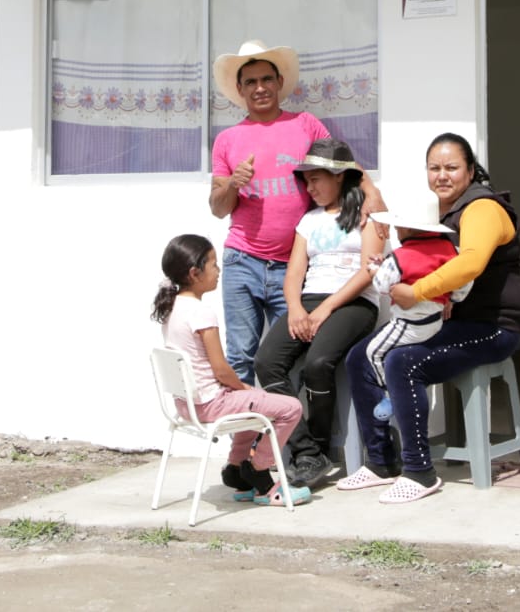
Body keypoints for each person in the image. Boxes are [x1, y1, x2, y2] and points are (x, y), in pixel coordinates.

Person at [340, 132, 520, 504]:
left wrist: (418, 292)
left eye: (452, 167)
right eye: (434, 168)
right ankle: (380, 461)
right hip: (450, 324)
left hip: (491, 328)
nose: (442, 175)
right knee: (360, 357)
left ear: (470, 171)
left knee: (403, 361)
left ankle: (419, 471)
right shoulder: (435, 213)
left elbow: (470, 263)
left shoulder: (483, 208)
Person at [208, 39, 384, 383]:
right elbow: (217, 208)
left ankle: (283, 436)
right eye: (251, 82)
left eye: (266, 79)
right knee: (241, 354)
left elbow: (341, 163)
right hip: (242, 260)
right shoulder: (227, 140)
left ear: (279, 83)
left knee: (289, 357)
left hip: (291, 266)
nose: (260, 88)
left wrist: (372, 191)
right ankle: (245, 435)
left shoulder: (305, 124)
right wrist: (231, 184)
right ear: (240, 90)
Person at [251, 139, 384, 488]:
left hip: (354, 304)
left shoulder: (366, 215)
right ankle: (308, 452)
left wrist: (326, 308)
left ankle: (321, 447)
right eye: (305, 180)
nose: (309, 187)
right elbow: (294, 273)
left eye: (317, 178)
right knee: (267, 362)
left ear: (339, 177)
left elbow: (369, 271)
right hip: (308, 300)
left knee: (317, 364)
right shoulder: (308, 221)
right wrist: (295, 309)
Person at [151, 234, 311, 507]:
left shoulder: (171, 307)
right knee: (291, 408)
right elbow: (221, 370)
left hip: (187, 406)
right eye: (213, 264)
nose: (218, 270)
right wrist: (243, 387)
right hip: (212, 404)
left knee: (252, 408)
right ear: (194, 273)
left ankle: (237, 471)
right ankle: (260, 473)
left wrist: (241, 392)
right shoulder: (201, 313)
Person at [361, 208, 472, 423]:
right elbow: (466, 279)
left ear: (406, 228)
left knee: (373, 352)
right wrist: (453, 299)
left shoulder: (400, 256)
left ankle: (391, 396)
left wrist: (375, 270)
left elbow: (383, 286)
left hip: (409, 323)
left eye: (396, 226)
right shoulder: (450, 249)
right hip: (436, 321)